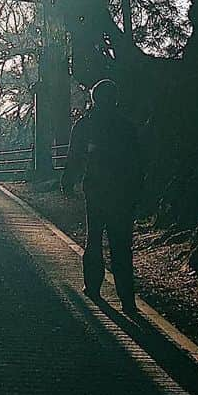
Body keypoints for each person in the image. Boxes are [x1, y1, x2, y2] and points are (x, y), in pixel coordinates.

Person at [63, 79, 142, 313]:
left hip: (96, 188)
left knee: (94, 237)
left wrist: (68, 180)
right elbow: (137, 162)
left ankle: (93, 286)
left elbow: (75, 155)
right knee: (121, 244)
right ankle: (127, 298)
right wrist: (137, 190)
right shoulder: (126, 126)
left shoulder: (86, 124)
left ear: (94, 98)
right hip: (122, 191)